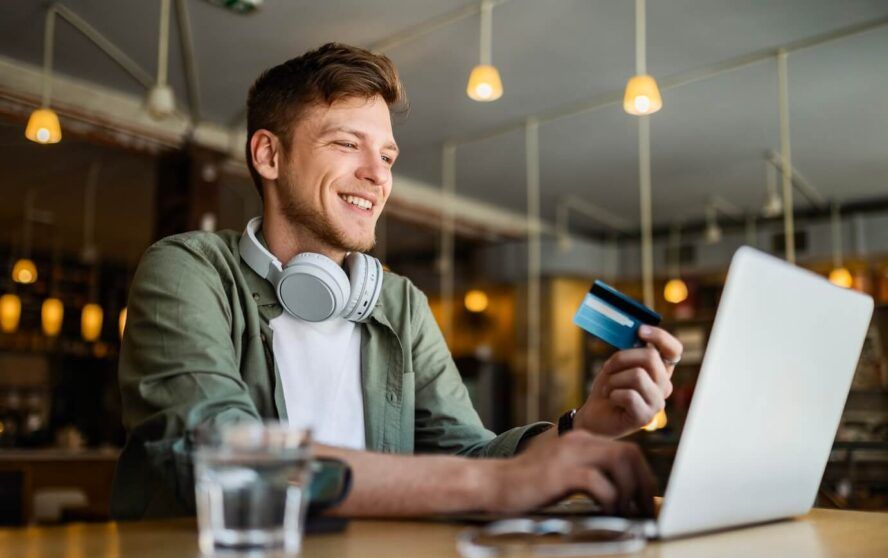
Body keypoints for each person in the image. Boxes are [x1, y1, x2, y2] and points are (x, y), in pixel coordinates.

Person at [112, 43, 683, 520]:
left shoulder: (399, 301)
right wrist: (486, 488)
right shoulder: (190, 269)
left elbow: (469, 454)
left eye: (387, 155)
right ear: (268, 155)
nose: (377, 175)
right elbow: (214, 456)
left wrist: (584, 427)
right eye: (345, 144)